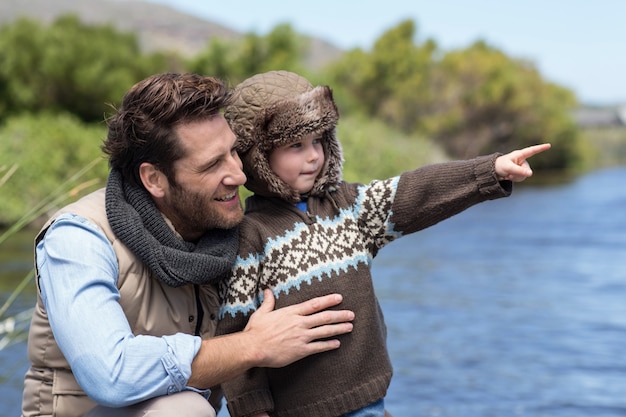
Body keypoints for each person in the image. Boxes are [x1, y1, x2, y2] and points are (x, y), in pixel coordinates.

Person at [216, 70, 552, 417]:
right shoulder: (249, 237)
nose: (313, 156)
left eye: (318, 141)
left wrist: (490, 170)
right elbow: (237, 338)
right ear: (256, 157)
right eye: (296, 146)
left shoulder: (348, 208)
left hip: (371, 402)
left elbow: (415, 192)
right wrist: (253, 412)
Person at [20, 73, 356, 417]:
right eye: (212, 164)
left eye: (233, 153)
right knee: (182, 409)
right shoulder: (78, 237)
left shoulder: (236, 234)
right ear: (154, 179)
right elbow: (112, 374)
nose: (238, 176)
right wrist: (252, 345)